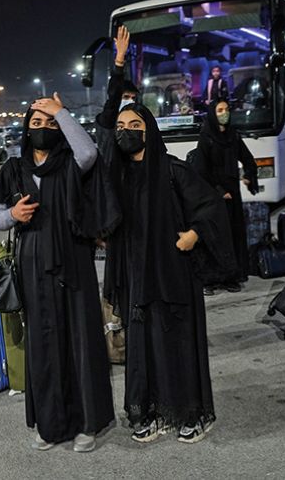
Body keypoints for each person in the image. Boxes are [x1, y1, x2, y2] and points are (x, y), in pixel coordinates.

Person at [0, 93, 118, 453]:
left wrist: (61, 112)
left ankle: (86, 424)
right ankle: (50, 424)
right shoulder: (13, 170)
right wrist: (14, 216)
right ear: (26, 130)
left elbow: (90, 152)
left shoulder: (69, 163)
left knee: (80, 342)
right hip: (33, 266)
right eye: (37, 123)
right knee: (44, 346)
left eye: (50, 124)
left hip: (73, 261)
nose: (43, 128)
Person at [103, 103, 236, 445]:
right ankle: (150, 412)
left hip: (172, 273)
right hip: (136, 276)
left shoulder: (172, 170)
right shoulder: (116, 177)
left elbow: (210, 206)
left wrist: (194, 234)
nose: (125, 130)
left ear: (149, 130)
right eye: (120, 125)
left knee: (176, 342)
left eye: (134, 124)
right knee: (142, 347)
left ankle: (190, 413)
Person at [187, 99, 258, 293]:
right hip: (212, 195)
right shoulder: (206, 137)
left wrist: (249, 175)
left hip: (232, 193)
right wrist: (219, 191)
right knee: (214, 236)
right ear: (212, 113)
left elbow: (247, 157)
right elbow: (201, 170)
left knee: (232, 235)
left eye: (226, 109)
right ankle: (210, 279)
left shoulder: (233, 135)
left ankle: (230, 277)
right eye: (220, 110)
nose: (224, 113)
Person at [95, 26, 140, 152]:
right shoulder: (107, 121)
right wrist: (119, 60)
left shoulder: (140, 119)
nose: (130, 101)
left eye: (133, 98)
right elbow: (114, 95)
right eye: (126, 97)